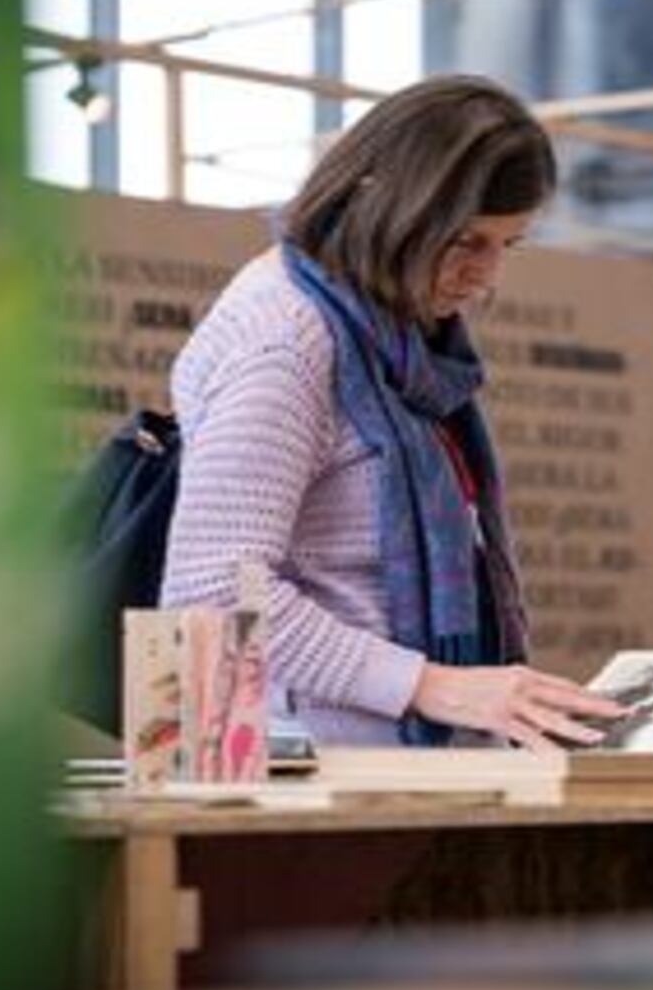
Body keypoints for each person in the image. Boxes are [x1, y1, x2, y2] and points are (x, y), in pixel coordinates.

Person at [159, 75, 625, 748]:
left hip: (397, 767)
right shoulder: (287, 338)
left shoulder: (395, 344)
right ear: (388, 204)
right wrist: (437, 686)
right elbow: (213, 595)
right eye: (467, 242)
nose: (487, 276)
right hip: (309, 778)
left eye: (506, 246)